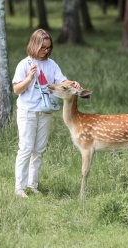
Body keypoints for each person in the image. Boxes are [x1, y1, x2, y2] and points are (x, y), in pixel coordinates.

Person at [12, 29, 80, 198]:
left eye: (49, 48)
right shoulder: (24, 64)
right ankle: (19, 187)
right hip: (27, 111)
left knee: (39, 149)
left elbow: (61, 81)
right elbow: (16, 89)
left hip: (45, 112)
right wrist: (29, 78)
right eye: (43, 48)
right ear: (35, 45)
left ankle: (32, 185)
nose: (46, 51)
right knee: (26, 148)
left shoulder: (51, 64)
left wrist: (72, 83)